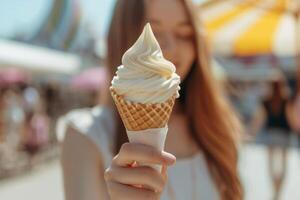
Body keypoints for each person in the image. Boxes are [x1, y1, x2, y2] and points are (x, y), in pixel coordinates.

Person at [61, 0, 243, 199]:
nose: (171, 48)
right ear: (121, 37)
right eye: (153, 33)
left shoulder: (219, 127)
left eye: (184, 34)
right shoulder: (86, 135)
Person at [250, 72, 292, 200]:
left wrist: (252, 132)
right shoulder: (286, 100)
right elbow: (292, 118)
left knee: (271, 165)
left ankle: (274, 189)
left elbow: (259, 119)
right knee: (283, 166)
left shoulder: (267, 101)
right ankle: (278, 191)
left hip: (271, 135)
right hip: (284, 134)